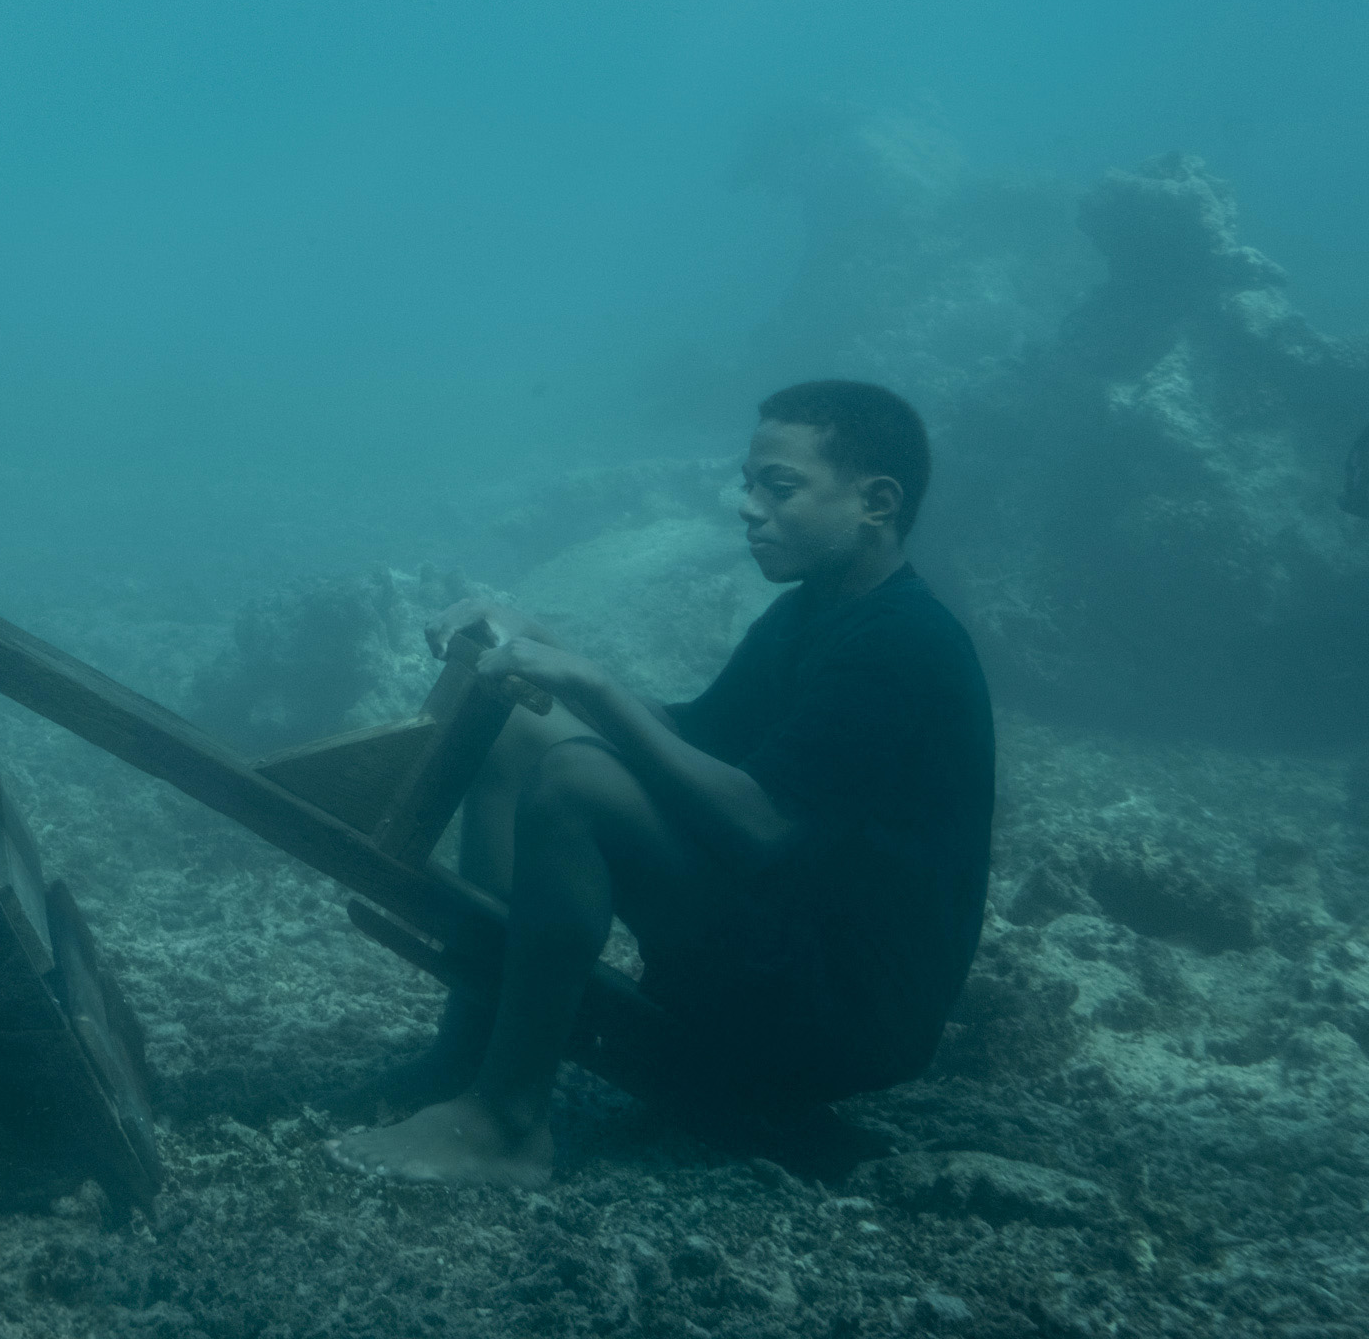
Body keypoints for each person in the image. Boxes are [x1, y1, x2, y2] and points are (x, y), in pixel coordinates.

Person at [330, 380, 994, 1186]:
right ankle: (466, 1053)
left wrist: (593, 687)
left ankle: (508, 1123)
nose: (747, 506)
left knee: (577, 782)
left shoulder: (904, 643)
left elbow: (762, 828)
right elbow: (690, 741)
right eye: (748, 483)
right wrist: (546, 647)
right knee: (522, 723)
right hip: (783, 941)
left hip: (840, 1015)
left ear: (877, 502)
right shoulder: (818, 610)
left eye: (778, 487)